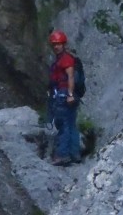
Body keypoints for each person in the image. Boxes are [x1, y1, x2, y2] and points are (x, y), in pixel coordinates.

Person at [47, 30, 81, 166]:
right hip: (64, 94)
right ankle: (75, 153)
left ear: (64, 44)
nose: (56, 46)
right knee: (71, 124)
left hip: (64, 95)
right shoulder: (61, 59)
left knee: (63, 124)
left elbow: (70, 76)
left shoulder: (66, 59)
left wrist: (70, 94)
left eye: (59, 44)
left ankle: (63, 155)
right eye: (54, 44)